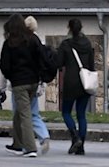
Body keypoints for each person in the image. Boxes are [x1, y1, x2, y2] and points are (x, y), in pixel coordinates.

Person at [0, 13, 41, 157]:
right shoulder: (32, 39)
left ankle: (30, 147)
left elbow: (4, 65)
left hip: (19, 83)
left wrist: (12, 77)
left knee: (24, 114)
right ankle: (17, 143)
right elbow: (41, 58)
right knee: (19, 112)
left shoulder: (9, 43)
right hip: (33, 81)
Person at [57, 17, 94, 155]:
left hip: (71, 82)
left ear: (69, 28)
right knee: (81, 115)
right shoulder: (88, 44)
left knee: (66, 112)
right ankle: (81, 146)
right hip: (85, 83)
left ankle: (75, 136)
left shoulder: (66, 44)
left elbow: (59, 63)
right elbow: (91, 64)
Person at [23, 16, 52, 154]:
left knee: (21, 114)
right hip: (35, 81)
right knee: (34, 112)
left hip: (22, 81)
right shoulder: (38, 42)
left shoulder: (20, 41)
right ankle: (44, 136)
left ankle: (26, 145)